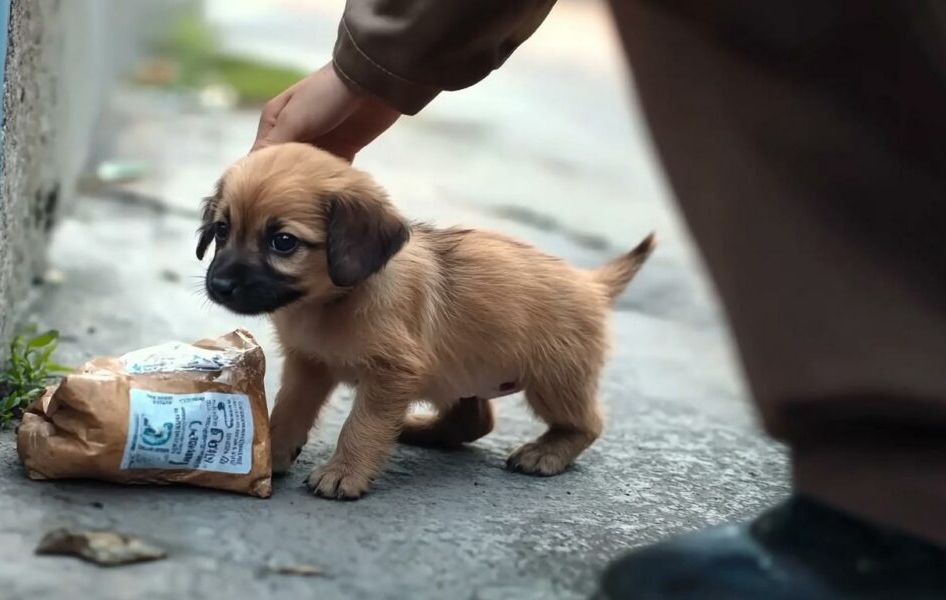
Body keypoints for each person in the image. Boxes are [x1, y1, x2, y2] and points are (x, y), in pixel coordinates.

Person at [250, 1, 946, 598]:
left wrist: (369, 65)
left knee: (551, 397)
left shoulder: (378, 275)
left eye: (281, 242)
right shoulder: (311, 300)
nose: (230, 267)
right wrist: (374, 66)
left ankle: (893, 501)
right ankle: (463, 420)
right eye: (222, 234)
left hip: (552, 315)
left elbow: (389, 371)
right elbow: (312, 370)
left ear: (355, 244)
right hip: (459, 328)